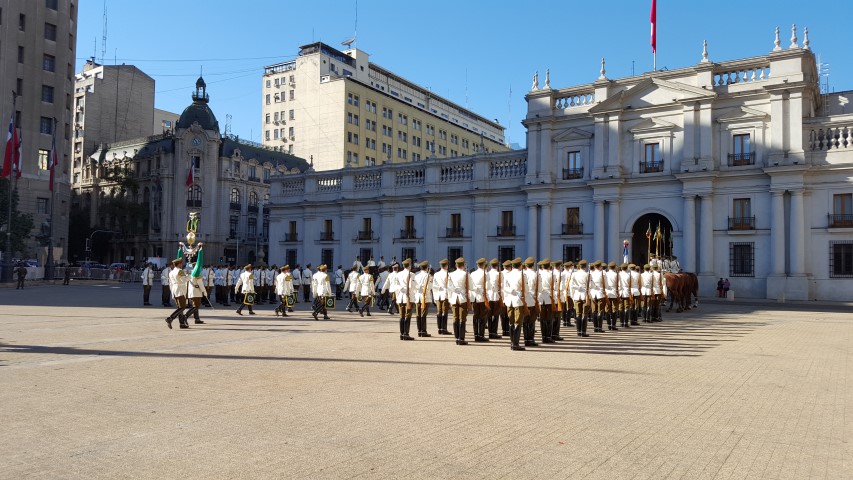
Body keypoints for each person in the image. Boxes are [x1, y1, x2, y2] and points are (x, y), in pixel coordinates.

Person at [501, 258, 525, 350]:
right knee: (518, 322)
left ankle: (512, 343)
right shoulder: (522, 275)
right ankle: (516, 344)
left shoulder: (507, 275)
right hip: (518, 301)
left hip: (509, 300)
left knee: (511, 322)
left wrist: (512, 291)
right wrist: (517, 293)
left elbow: (504, 288)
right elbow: (525, 289)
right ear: (520, 265)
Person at [447, 257, 471, 346]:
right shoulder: (465, 274)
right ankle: (461, 338)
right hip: (462, 298)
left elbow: (449, 288)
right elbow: (471, 287)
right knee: (462, 318)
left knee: (455, 317)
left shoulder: (450, 274)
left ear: (456, 265)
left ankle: (457, 338)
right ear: (463, 265)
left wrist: (450, 299)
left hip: (453, 298)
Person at [165, 258, 190, 329]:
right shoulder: (180, 271)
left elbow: (171, 283)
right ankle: (170, 318)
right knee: (183, 307)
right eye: (181, 263)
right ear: (179, 264)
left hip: (175, 289)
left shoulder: (171, 272)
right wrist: (190, 277)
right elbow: (183, 280)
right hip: (180, 290)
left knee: (180, 308)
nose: (182, 264)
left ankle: (181, 323)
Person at [393, 259, 415, 340]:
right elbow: (413, 286)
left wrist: (397, 295)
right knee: (407, 315)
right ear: (409, 266)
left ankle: (401, 334)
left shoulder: (398, 274)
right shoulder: (412, 274)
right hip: (408, 297)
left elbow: (396, 286)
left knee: (401, 316)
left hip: (400, 297)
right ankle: (406, 334)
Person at [569, 260, 590, 337]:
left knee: (578, 314)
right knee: (585, 314)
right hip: (585, 295)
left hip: (577, 296)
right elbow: (590, 286)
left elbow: (571, 286)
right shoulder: (587, 274)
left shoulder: (574, 274)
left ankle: (578, 331)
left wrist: (572, 295)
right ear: (585, 266)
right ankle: (583, 332)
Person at [412, 261, 433, 337]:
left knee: (418, 314)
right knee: (423, 314)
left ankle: (419, 330)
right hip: (425, 296)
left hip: (417, 296)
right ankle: (423, 331)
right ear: (427, 268)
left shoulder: (416, 275)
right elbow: (429, 287)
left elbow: (413, 286)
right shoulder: (428, 276)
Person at [535, 259, 554, 343]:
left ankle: (543, 337)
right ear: (549, 266)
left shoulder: (538, 274)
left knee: (542, 318)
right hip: (549, 297)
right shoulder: (551, 274)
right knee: (549, 318)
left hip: (540, 297)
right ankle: (548, 337)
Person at [431, 259, 451, 335]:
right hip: (445, 295)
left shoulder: (436, 274)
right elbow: (449, 286)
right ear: (446, 266)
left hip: (438, 295)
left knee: (439, 311)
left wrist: (435, 296)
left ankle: (439, 328)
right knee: (444, 312)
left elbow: (434, 286)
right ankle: (444, 329)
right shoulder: (448, 274)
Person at [485, 258, 504, 339]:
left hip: (489, 296)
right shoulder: (499, 274)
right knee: (495, 315)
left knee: (489, 315)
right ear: (497, 266)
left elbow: (485, 285)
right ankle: (494, 332)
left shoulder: (487, 274)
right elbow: (502, 286)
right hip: (496, 296)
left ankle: (490, 332)